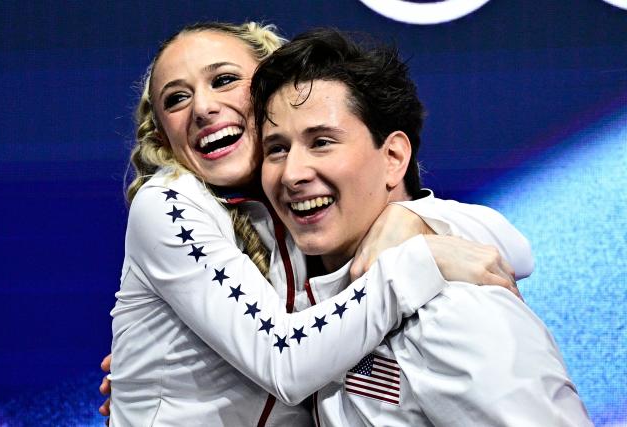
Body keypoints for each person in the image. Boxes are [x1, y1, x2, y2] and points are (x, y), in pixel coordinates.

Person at [103, 22, 534, 426]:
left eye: (224, 79)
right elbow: (284, 361)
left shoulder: (303, 204)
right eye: (176, 99)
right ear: (161, 136)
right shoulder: (169, 202)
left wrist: (411, 221)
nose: (203, 107)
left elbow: (516, 250)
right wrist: (422, 260)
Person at [251, 28, 592, 426]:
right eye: (277, 149)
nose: (291, 174)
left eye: (322, 142)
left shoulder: (452, 308)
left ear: (393, 156)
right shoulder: (296, 293)